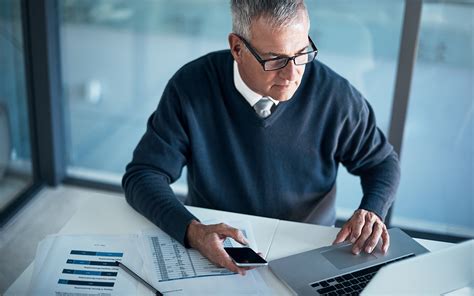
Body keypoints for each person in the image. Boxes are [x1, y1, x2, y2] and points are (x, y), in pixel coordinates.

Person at [122, 0, 400, 276]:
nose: (293, 74)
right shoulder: (191, 86)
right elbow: (143, 175)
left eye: (302, 52)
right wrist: (192, 231)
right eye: (276, 59)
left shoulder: (336, 96)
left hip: (307, 249)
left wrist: (371, 210)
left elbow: (382, 163)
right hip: (217, 246)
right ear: (237, 48)